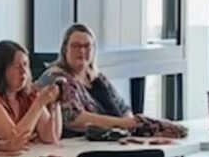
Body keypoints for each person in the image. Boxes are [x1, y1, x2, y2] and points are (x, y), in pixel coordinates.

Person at [37, 24, 185, 138]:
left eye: (87, 46)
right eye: (76, 46)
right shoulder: (55, 77)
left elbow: (123, 107)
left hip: (111, 142)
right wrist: (121, 124)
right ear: (65, 50)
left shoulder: (97, 78)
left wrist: (129, 126)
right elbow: (72, 118)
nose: (82, 51)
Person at [0, 41, 60, 155]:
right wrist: (39, 104)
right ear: (2, 70)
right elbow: (14, 139)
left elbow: (50, 136)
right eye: (17, 66)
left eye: (25, 65)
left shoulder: (28, 94)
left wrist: (56, 102)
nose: (23, 71)